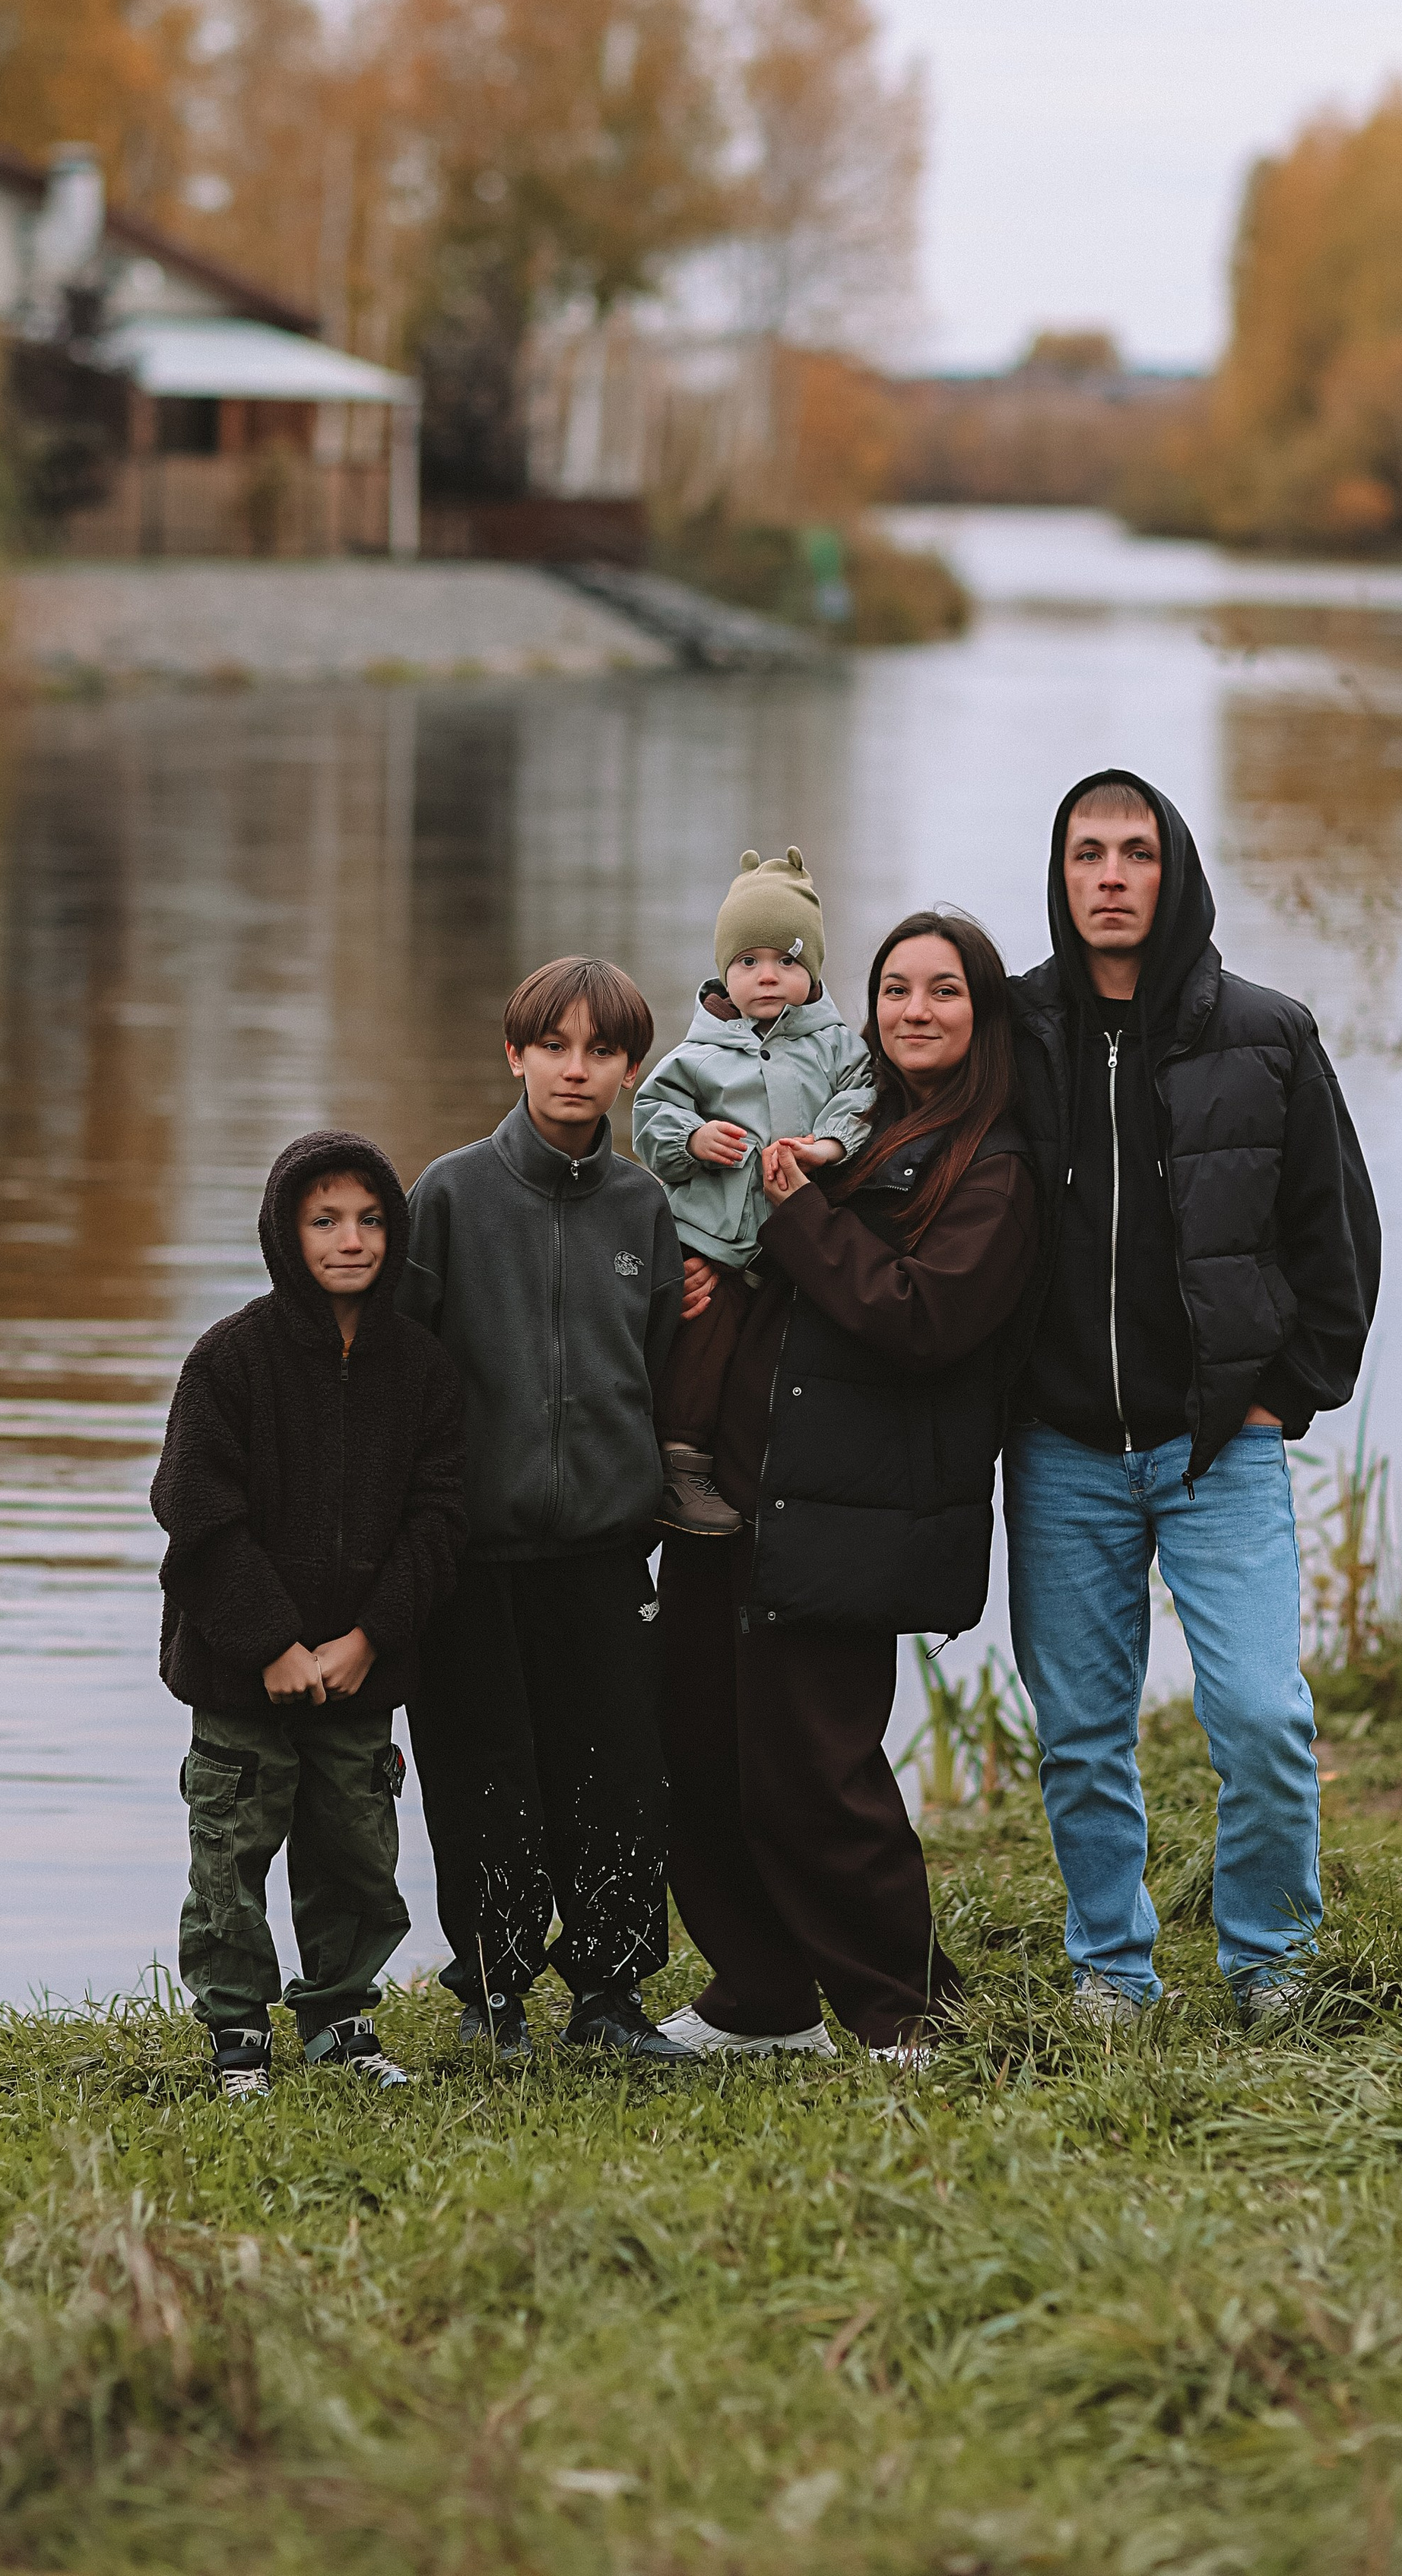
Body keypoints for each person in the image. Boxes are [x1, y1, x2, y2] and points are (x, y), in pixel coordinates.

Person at [1004, 769, 1381, 2029]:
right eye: (1086, 854)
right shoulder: (1013, 1033)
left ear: (1175, 873)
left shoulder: (1267, 1033)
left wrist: (1290, 1393)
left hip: (1217, 1446)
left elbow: (1338, 1237)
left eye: (1136, 852)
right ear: (1060, 879)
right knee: (1080, 1736)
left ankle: (1270, 1955)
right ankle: (1112, 1968)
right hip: (1059, 1448)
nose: (1111, 875)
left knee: (1264, 1716)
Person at [655, 912, 1039, 2061]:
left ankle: (905, 2006)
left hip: (844, 1503)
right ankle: (762, 1993)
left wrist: (795, 1212)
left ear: (984, 1017)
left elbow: (920, 1318)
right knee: (700, 1746)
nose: (916, 1009)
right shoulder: (852, 1123)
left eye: (946, 991)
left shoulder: (994, 1166)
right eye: (897, 989)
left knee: (815, 1766)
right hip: (734, 1486)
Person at [398, 954, 695, 2065]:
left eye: (603, 1051)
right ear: (515, 1055)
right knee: (485, 1778)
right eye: (555, 1047)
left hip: (608, 1552)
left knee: (617, 1777)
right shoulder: (449, 1194)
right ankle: (493, 1996)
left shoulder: (644, 1207)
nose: (578, 1070)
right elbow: (407, 1375)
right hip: (475, 1556)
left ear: (629, 1070)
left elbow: (662, 1368)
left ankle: (610, 1996)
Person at [151, 1130, 468, 2100]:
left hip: (360, 1672)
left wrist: (371, 1636)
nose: (351, 1239)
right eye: (324, 1220)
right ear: (284, 1233)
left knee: (356, 1853)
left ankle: (342, 2019)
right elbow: (196, 1514)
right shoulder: (230, 1361)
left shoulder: (420, 1369)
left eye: (372, 1220)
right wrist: (272, 1645)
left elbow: (441, 1518)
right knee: (231, 1855)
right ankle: (237, 2035)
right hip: (243, 1676)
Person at [633, 844, 876, 1538]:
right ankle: (680, 1462)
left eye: (787, 961)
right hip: (712, 1237)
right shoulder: (697, 1055)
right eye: (749, 962)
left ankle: (769, 1477)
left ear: (813, 971)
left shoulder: (836, 1048)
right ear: (725, 972)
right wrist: (693, 1139)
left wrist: (827, 1144)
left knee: (773, 1361)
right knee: (701, 1336)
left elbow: (864, 1100)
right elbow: (651, 1118)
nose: (768, 977)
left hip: (792, 1242)